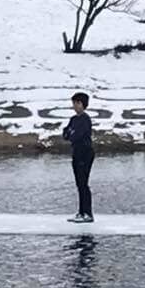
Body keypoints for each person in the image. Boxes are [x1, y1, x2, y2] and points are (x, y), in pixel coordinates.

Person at [62, 91, 94, 223]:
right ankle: (81, 212)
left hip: (85, 153)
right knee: (79, 184)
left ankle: (88, 213)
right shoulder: (74, 119)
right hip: (76, 153)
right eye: (73, 103)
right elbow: (66, 134)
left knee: (83, 183)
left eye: (77, 103)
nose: (74, 106)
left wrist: (71, 133)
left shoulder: (85, 119)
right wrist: (70, 133)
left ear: (82, 104)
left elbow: (77, 135)